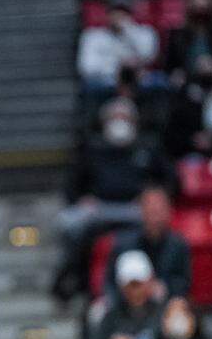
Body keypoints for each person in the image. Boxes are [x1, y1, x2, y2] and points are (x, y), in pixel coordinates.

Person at [53, 97, 176, 302]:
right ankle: (72, 279)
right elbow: (72, 184)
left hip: (136, 209)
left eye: (124, 117)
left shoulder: (147, 147)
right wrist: (81, 199)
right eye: (115, 117)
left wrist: (152, 198)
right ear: (105, 122)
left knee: (157, 220)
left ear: (134, 122)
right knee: (68, 223)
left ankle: (156, 283)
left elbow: (169, 179)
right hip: (99, 209)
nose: (120, 122)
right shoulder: (92, 148)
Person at [102, 185, 192, 304]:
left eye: (159, 211)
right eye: (151, 210)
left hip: (164, 305)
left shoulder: (179, 245)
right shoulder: (124, 244)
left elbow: (184, 283)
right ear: (142, 210)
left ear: (169, 211)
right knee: (98, 312)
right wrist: (132, 290)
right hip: (127, 305)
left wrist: (164, 288)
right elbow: (110, 283)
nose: (154, 217)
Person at [77, 0, 158, 92]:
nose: (118, 16)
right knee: (90, 85)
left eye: (124, 12)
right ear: (106, 13)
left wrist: (128, 30)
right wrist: (119, 66)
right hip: (106, 84)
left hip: (139, 82)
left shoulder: (145, 32)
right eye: (114, 11)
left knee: (159, 82)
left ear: (131, 13)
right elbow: (86, 67)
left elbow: (148, 55)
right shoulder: (92, 35)